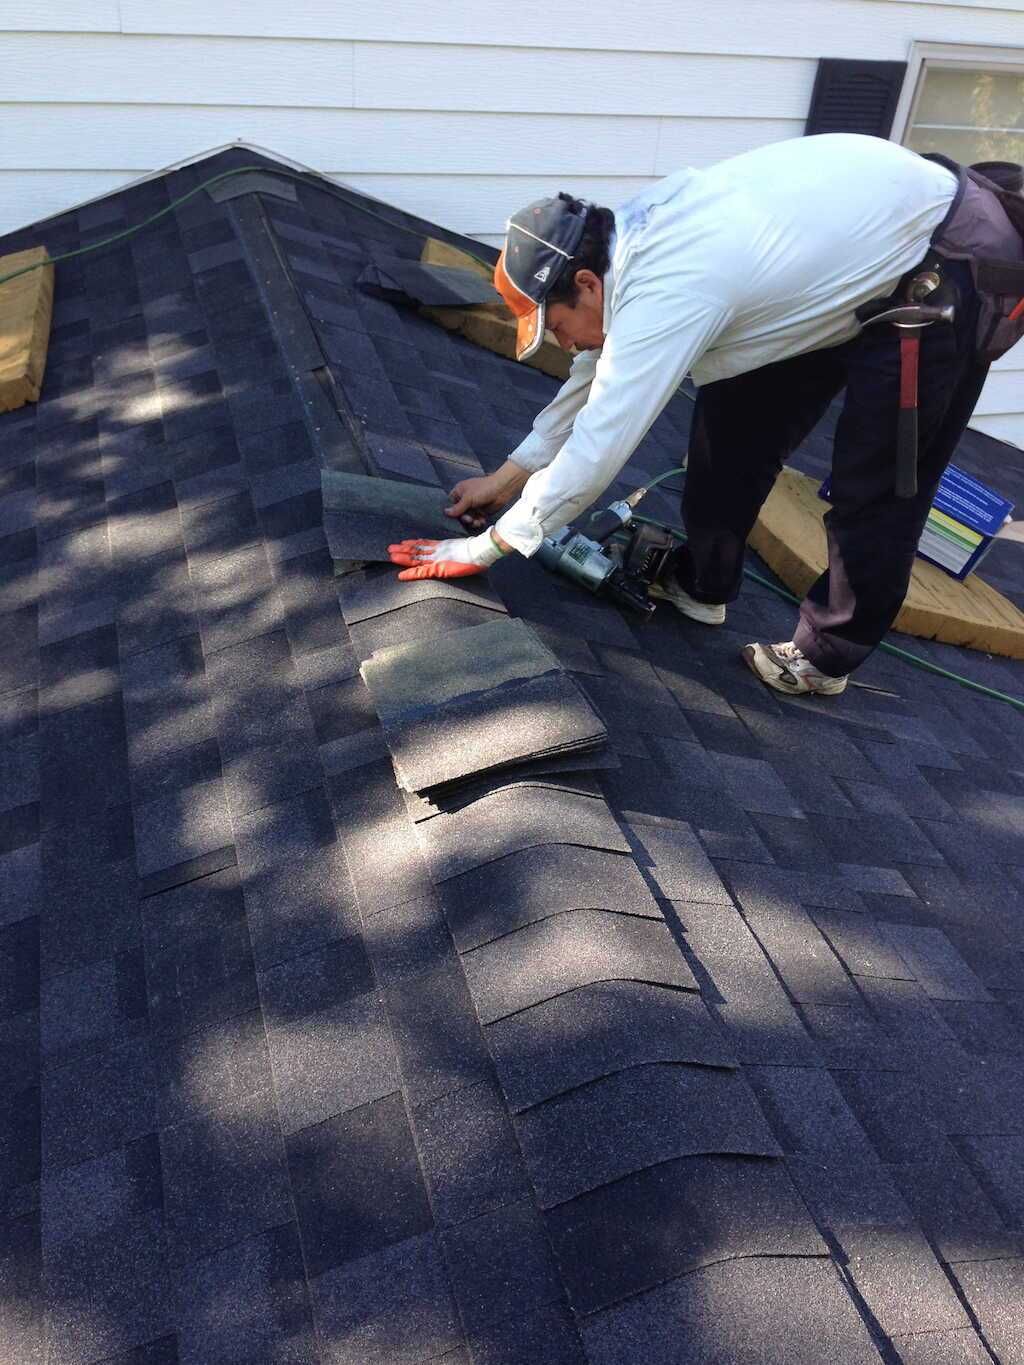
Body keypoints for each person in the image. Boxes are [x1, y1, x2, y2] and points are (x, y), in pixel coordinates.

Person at [387, 133, 1024, 696]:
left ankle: (826, 653)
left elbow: (596, 453)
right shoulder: (622, 250)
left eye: (553, 326)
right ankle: (704, 584)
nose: (563, 343)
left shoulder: (671, 285)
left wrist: (484, 548)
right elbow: (594, 375)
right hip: (846, 259)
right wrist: (507, 478)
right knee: (733, 420)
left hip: (944, 268)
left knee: (877, 482)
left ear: (584, 286)